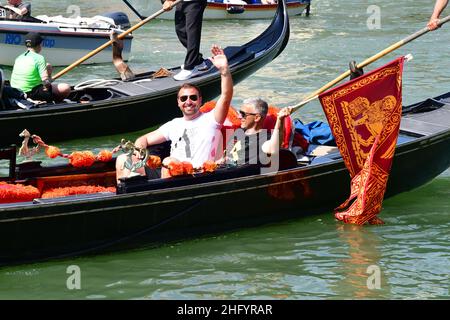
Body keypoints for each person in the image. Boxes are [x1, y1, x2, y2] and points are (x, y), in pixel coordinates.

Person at [116, 44, 233, 182]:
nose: (188, 101)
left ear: (200, 100)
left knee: (170, 162)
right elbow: (145, 139)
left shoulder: (212, 119)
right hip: (168, 173)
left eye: (193, 97)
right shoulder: (173, 125)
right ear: (178, 102)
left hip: (194, 176)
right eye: (184, 98)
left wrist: (224, 71)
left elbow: (226, 96)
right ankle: (130, 197)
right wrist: (139, 149)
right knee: (123, 159)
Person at [226, 98, 291, 166]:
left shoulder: (264, 138)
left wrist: (280, 119)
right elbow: (227, 155)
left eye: (243, 114)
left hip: (241, 173)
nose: (239, 117)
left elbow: (273, 148)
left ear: (257, 118)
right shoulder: (239, 132)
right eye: (239, 113)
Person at [10, 32, 71, 103]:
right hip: (30, 93)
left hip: (15, 92)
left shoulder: (19, 57)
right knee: (65, 88)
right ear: (40, 44)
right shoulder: (39, 58)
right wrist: (48, 84)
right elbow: (45, 82)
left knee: (48, 65)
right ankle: (55, 102)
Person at [163, 0, 209, 81]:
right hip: (180, 2)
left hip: (195, 2)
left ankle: (190, 68)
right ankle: (198, 61)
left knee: (192, 34)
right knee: (180, 31)